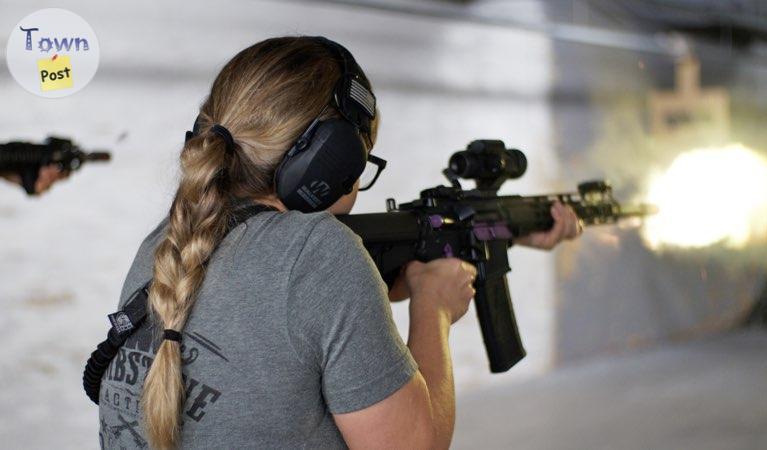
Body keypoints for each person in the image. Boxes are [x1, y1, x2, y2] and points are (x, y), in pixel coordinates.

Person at [97, 36, 582, 450]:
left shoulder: (166, 242)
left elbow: (280, 330)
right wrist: (434, 305)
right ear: (330, 163)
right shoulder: (321, 253)